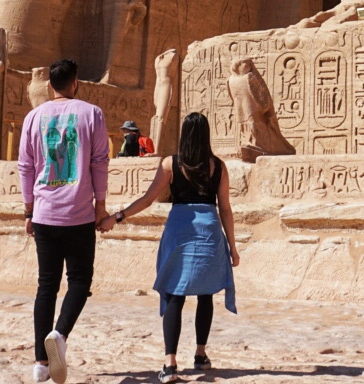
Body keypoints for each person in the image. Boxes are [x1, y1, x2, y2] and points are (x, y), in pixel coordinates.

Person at [103, 112, 238, 383]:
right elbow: (225, 208)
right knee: (206, 294)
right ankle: (200, 354)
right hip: (209, 230)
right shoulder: (219, 166)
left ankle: (170, 363)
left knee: (175, 294)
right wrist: (232, 247)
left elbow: (148, 199)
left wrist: (117, 217)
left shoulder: (170, 164)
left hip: (180, 230)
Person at [17, 58, 110, 384]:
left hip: (44, 212)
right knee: (80, 281)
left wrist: (28, 211)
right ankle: (60, 333)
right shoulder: (91, 113)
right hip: (79, 213)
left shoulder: (33, 117)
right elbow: (100, 162)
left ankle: (40, 364)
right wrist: (101, 207)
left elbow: (26, 167)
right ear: (75, 82)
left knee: (46, 286)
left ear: (49, 86)